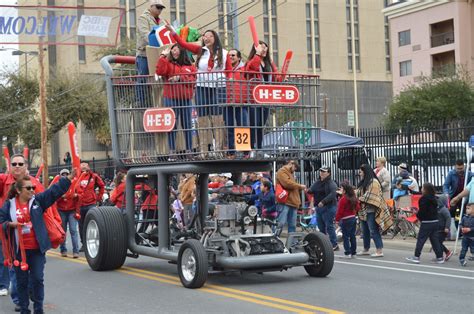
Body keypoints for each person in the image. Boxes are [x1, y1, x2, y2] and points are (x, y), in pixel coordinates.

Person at [0, 171, 75, 314]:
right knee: (21, 283)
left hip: (36, 250)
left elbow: (53, 192)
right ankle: (24, 309)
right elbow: (1, 221)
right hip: (18, 252)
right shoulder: (8, 206)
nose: (32, 190)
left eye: (33, 187)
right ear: (18, 190)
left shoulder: (37, 201)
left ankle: (38, 309)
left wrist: (68, 179)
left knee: (37, 279)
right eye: (28, 188)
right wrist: (9, 225)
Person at [167, 23, 232, 155]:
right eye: (205, 36)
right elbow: (183, 44)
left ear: (215, 38)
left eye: (210, 36)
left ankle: (218, 149)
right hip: (202, 86)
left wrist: (229, 80)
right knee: (202, 117)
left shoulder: (224, 53)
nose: (206, 38)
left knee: (217, 118)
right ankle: (203, 150)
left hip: (218, 87)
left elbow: (229, 70)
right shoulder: (200, 51)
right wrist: (173, 32)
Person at [0, 154, 45, 312]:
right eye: (14, 164)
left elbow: (47, 202)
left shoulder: (35, 184)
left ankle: (33, 299)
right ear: (10, 166)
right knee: (17, 274)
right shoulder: (3, 181)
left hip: (34, 242)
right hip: (11, 238)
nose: (17, 166)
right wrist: (9, 223)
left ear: (26, 166)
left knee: (36, 277)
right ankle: (20, 300)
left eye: (20, 163)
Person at [155, 43, 197, 159]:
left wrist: (180, 78)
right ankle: (172, 151)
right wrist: (162, 57)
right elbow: (160, 71)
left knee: (187, 125)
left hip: (185, 100)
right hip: (171, 98)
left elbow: (193, 81)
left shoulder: (190, 66)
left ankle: (189, 150)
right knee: (172, 126)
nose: (174, 52)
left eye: (176, 49)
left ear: (182, 51)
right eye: (172, 50)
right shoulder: (168, 63)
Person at [245, 41, 281, 151]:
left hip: (265, 99)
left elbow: (276, 78)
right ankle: (250, 148)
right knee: (253, 124)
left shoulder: (268, 64)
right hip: (254, 99)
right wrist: (257, 55)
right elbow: (252, 68)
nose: (264, 49)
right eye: (262, 47)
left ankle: (259, 148)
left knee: (261, 125)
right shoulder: (252, 61)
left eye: (266, 47)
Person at [356, 164, 391, 258]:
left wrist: (358, 198)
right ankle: (365, 249)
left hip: (372, 210)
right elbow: (358, 192)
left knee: (373, 230)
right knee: (365, 231)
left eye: (361, 171)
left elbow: (371, 196)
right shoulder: (364, 182)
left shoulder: (374, 182)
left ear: (365, 172)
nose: (359, 173)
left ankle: (379, 250)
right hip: (363, 210)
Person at [406, 183, 444, 264]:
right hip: (435, 221)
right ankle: (439, 257)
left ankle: (416, 256)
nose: (421, 189)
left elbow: (423, 212)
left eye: (422, 188)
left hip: (427, 222)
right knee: (435, 240)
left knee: (421, 240)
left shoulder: (423, 199)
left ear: (426, 190)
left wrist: (417, 214)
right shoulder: (435, 198)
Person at [75, 163, 105, 251]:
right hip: (80, 205)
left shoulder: (94, 176)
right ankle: (84, 243)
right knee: (81, 225)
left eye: (85, 165)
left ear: (88, 167)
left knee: (93, 223)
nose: (83, 166)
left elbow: (102, 186)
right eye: (82, 165)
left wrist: (98, 197)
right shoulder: (76, 177)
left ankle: (96, 241)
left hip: (91, 204)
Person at [225, 48, 249, 157]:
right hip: (228, 102)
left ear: (239, 57)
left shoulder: (244, 69)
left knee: (242, 127)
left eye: (233, 55)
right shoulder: (226, 69)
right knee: (229, 128)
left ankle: (245, 152)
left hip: (240, 103)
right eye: (229, 55)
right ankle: (231, 152)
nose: (230, 57)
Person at [308, 166, 339, 250]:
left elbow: (333, 194)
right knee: (321, 227)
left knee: (329, 226)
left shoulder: (331, 183)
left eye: (324, 171)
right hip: (319, 208)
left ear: (328, 173)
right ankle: (323, 244)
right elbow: (311, 190)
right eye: (321, 171)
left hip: (329, 207)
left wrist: (323, 201)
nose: (321, 173)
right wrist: (306, 190)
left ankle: (334, 244)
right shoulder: (318, 182)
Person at [275, 160, 306, 234]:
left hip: (291, 202)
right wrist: (300, 186)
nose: (295, 170)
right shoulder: (282, 171)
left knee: (292, 225)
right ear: (291, 164)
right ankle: (274, 241)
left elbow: (290, 184)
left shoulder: (289, 173)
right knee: (280, 223)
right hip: (285, 202)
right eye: (295, 167)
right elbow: (287, 184)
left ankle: (292, 243)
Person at [136, 0, 165, 76]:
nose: (159, 10)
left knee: (155, 80)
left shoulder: (162, 21)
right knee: (143, 81)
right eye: (158, 7)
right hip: (144, 54)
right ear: (151, 6)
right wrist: (158, 42)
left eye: (161, 8)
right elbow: (145, 34)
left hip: (158, 55)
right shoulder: (143, 18)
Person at [56, 169, 80, 259]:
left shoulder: (74, 184)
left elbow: (80, 196)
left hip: (72, 210)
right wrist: (60, 196)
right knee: (63, 231)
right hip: (61, 210)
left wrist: (76, 195)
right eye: (63, 174)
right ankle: (63, 250)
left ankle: (76, 251)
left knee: (73, 230)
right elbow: (53, 198)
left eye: (67, 174)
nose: (65, 175)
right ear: (60, 176)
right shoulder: (57, 185)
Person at [443, 160, 473, 230]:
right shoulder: (451, 174)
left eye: (461, 168)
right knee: (456, 212)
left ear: (464, 167)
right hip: (454, 197)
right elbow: (446, 185)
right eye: (458, 169)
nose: (460, 170)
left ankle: (464, 228)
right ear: (455, 167)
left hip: (465, 197)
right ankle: (457, 229)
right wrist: (446, 193)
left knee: (465, 213)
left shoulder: (469, 174)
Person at [335, 182, 360, 258]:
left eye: (341, 188)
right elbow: (358, 208)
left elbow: (340, 211)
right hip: (353, 218)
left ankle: (347, 253)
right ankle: (353, 253)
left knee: (345, 237)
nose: (340, 189)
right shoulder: (353, 198)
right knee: (352, 236)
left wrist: (336, 220)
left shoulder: (343, 199)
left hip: (346, 219)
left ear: (345, 191)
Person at [436, 194, 452, 261]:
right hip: (438, 229)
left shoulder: (444, 209)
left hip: (443, 230)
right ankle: (446, 252)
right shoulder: (437, 209)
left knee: (438, 242)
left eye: (438, 199)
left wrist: (447, 227)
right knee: (437, 242)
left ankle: (442, 255)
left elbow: (448, 218)